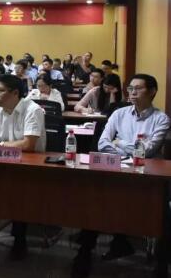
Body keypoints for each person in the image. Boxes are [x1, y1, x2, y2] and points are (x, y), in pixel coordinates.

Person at [72, 74, 170, 278]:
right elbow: (103, 143)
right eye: (130, 88)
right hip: (117, 170)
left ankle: (159, 261)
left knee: (159, 213)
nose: (132, 92)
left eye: (138, 88)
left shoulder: (161, 118)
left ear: (152, 91)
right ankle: (86, 250)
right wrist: (131, 148)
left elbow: (149, 150)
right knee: (97, 200)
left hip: (146, 176)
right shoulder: (119, 114)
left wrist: (119, 143)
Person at [0, 75, 46, 260]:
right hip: (4, 161)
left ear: (15, 93)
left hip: (31, 165)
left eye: (0, 91)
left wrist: (3, 145)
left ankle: (20, 238)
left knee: (19, 189)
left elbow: (28, 144)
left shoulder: (33, 109)